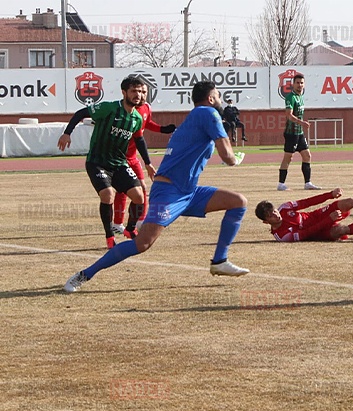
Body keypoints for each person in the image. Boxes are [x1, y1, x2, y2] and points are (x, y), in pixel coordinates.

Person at [63, 80, 250, 293]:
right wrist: (236, 159)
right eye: (217, 96)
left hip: (187, 191)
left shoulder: (194, 118)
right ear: (210, 98)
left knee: (238, 202)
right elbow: (227, 156)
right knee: (142, 244)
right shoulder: (209, 114)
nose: (219, 100)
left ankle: (219, 261)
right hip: (169, 193)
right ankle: (84, 274)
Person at [58, 77, 148, 249]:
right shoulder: (109, 108)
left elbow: (139, 139)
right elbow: (80, 113)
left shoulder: (136, 118)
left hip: (119, 163)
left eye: (141, 91)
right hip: (97, 162)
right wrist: (67, 133)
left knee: (139, 196)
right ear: (124, 93)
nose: (138, 95)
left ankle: (129, 229)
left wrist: (148, 163)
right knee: (107, 195)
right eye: (134, 91)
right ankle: (109, 236)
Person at [111, 92, 176, 236]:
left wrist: (162, 129)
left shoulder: (146, 107)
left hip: (133, 157)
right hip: (120, 157)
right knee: (122, 191)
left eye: (144, 92)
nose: (141, 95)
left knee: (142, 188)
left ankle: (140, 220)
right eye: (137, 91)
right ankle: (117, 223)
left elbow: (147, 123)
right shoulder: (125, 110)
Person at [255, 190, 353, 242]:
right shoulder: (282, 236)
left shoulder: (285, 208)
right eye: (270, 216)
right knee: (341, 231)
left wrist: (330, 195)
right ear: (265, 222)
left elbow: (308, 202)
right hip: (318, 232)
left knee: (349, 201)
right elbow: (308, 233)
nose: (276, 215)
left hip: (318, 216)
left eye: (274, 211)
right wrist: (329, 220)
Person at [277, 73, 320, 191]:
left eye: (301, 83)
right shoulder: (291, 97)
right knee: (288, 158)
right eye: (297, 83)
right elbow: (289, 115)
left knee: (307, 155)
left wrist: (301, 126)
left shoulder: (300, 97)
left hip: (299, 133)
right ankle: (281, 184)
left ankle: (308, 183)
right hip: (291, 133)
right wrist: (302, 123)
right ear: (293, 84)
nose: (299, 85)